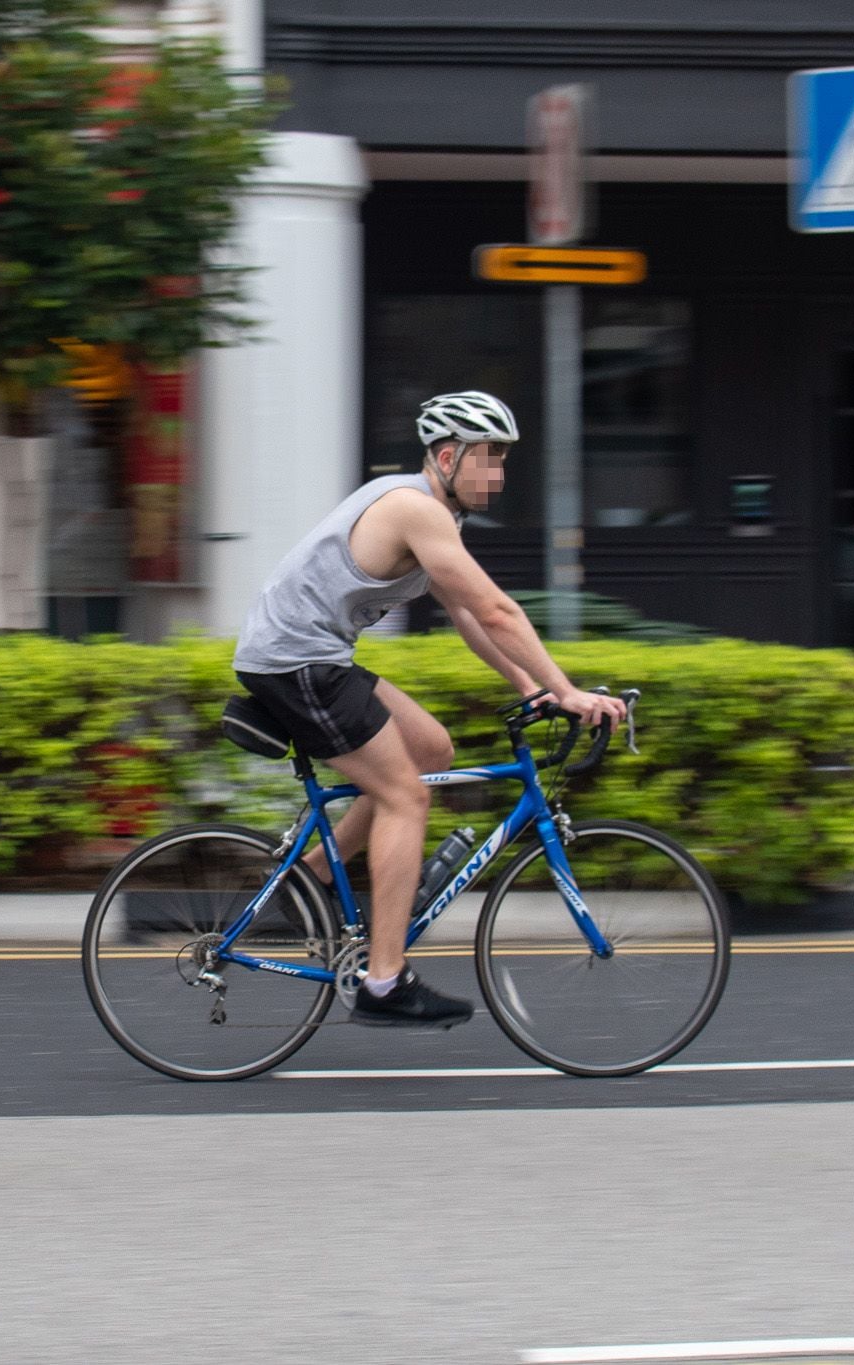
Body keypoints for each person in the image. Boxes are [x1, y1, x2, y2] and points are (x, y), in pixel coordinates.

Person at [232, 391, 630, 1027]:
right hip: (296, 661)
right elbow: (499, 611)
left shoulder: (434, 513)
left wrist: (531, 686)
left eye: (503, 460)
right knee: (405, 798)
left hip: (312, 657)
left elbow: (469, 615)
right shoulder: (414, 509)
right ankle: (384, 983)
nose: (499, 475)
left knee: (431, 749)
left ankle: (312, 878)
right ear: (448, 457)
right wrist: (568, 691)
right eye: (489, 458)